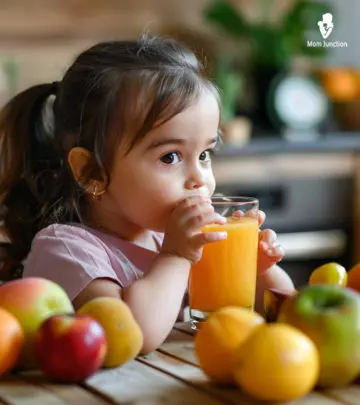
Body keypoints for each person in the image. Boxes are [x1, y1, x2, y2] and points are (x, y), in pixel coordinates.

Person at [0, 35, 294, 353]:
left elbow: (277, 313)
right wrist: (176, 256)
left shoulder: (165, 237)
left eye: (205, 154)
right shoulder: (67, 250)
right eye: (170, 157)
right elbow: (134, 336)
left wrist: (257, 269)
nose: (200, 179)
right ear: (91, 172)